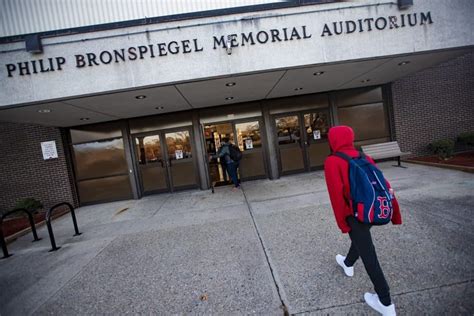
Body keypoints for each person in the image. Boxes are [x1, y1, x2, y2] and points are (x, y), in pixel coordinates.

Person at [324, 125, 402, 316]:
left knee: (369, 253)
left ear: (333, 140)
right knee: (361, 240)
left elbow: (336, 196)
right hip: (371, 210)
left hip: (354, 214)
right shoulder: (363, 156)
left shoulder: (333, 161)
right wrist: (395, 211)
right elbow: (383, 183)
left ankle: (384, 301)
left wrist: (343, 223)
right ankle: (348, 263)